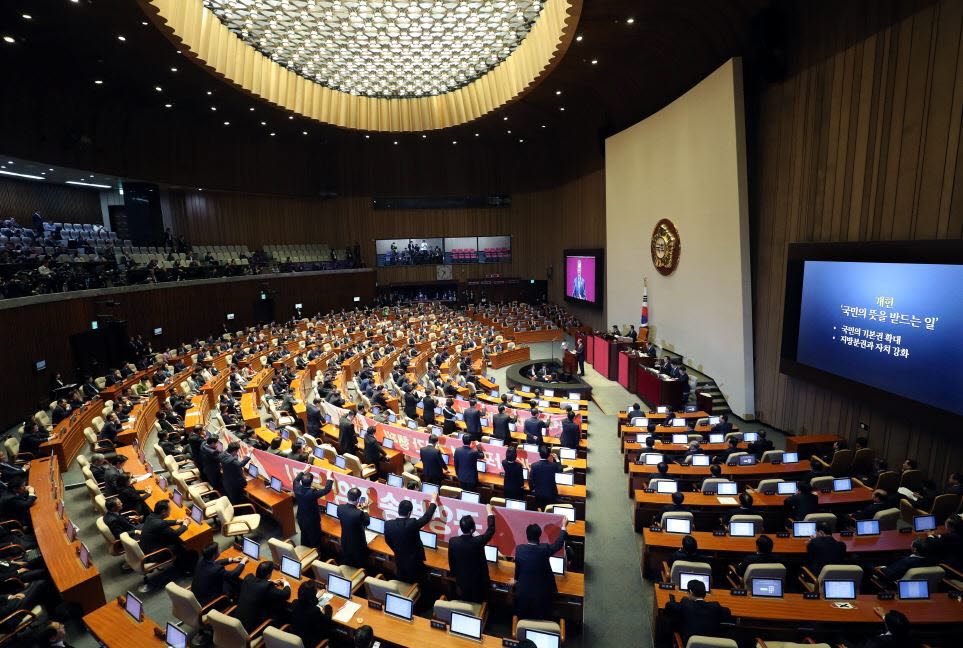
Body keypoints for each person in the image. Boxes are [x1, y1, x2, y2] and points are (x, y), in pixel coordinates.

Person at [513, 520, 569, 620]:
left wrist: (516, 580)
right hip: (543, 593)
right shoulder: (544, 549)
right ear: (539, 536)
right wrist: (564, 526)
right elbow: (559, 543)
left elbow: (518, 567)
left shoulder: (519, 549)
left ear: (527, 535)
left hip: (523, 592)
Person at [384, 494, 439, 583]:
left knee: (403, 581)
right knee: (416, 582)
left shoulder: (388, 524)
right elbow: (426, 517)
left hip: (399, 562)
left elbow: (387, 540)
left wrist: (397, 549)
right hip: (415, 564)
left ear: (398, 510)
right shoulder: (412, 523)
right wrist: (433, 500)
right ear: (409, 513)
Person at [448, 505, 497, 602]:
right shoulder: (477, 541)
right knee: (477, 601)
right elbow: (491, 530)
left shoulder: (453, 541)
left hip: (461, 580)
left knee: (465, 600)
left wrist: (455, 575)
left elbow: (451, 561)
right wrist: (489, 512)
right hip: (477, 582)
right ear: (472, 530)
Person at [664, 579, 733, 644]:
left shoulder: (686, 603)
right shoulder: (715, 606)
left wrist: (675, 602)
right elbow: (727, 611)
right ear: (704, 594)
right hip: (710, 645)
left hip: (689, 644)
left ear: (690, 592)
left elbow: (668, 605)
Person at [235, 561, 290, 632]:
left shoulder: (248, 577)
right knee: (278, 611)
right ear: (268, 575)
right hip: (251, 630)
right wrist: (286, 583)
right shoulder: (267, 587)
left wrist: (270, 582)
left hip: (237, 621)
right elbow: (285, 594)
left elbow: (258, 585)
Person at [140, 500, 191, 572]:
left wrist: (176, 521)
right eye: (169, 510)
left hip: (147, 548)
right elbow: (174, 535)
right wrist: (185, 525)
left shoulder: (150, 516)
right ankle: (184, 568)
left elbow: (164, 522)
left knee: (174, 540)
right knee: (181, 544)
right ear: (164, 511)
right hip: (154, 554)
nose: (170, 512)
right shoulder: (159, 524)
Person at [293, 472, 334, 550]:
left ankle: (304, 548)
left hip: (300, 517)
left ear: (301, 481)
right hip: (312, 520)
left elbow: (296, 479)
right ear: (311, 483)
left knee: (304, 534)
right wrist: (329, 477)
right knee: (314, 537)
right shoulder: (312, 493)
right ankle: (315, 553)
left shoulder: (296, 487)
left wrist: (304, 470)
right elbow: (326, 490)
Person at [288, 580, 333, 648]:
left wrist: (316, 597)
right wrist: (328, 607)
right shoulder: (315, 611)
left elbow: (306, 604)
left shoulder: (295, 603)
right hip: (309, 642)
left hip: (295, 636)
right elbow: (327, 619)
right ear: (312, 595)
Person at [337, 487, 370, 568]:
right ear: (358, 499)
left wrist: (357, 509)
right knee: (359, 564)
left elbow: (349, 515)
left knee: (349, 561)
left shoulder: (340, 508)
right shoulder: (359, 513)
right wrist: (365, 510)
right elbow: (367, 522)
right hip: (358, 545)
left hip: (345, 541)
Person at [529, 444, 567, 511]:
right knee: (550, 510)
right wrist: (557, 459)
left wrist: (532, 490)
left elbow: (531, 480)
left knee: (541, 509)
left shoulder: (534, 466)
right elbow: (561, 470)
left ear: (539, 454)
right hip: (551, 494)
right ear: (549, 454)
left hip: (539, 494)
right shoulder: (553, 466)